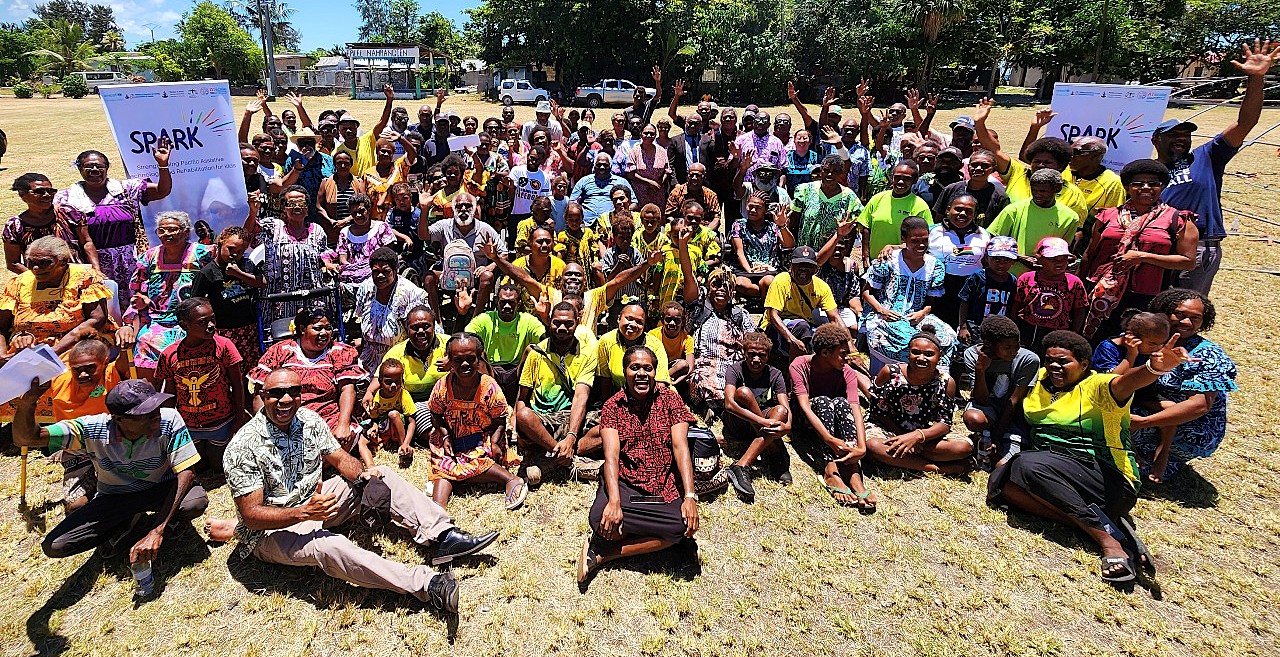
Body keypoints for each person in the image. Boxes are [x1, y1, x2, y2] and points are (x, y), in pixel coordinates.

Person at [221, 367, 498, 613]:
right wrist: (303, 512)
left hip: (316, 505)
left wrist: (365, 476)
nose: (285, 400)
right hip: (271, 532)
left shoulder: (307, 420)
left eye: (293, 392)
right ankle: (427, 584)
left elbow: (341, 459)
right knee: (328, 545)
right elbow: (251, 515)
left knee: (383, 474)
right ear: (262, 396)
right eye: (276, 394)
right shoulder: (245, 445)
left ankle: (442, 535)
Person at [987, 329, 1193, 583]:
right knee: (1004, 485)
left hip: (1106, 478)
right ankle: (1106, 527)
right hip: (1055, 474)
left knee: (1025, 465)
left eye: (1064, 361)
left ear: (1084, 364)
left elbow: (1127, 382)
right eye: (1050, 359)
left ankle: (1109, 542)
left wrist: (1153, 368)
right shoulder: (1040, 380)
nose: (1054, 366)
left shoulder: (1097, 386)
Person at [13, 378, 207, 600]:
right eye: (145, 412)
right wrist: (28, 403)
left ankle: (157, 522)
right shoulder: (90, 429)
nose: (156, 414)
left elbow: (187, 472)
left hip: (161, 489)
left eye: (155, 405)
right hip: (115, 496)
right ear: (119, 420)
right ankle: (127, 520)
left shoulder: (168, 419)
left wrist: (157, 530)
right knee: (55, 545)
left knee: (194, 502)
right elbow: (26, 438)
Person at [1154, 39, 1279, 293]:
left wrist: (1256, 79)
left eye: (1185, 135)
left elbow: (1245, 123)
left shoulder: (1207, 157)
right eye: (1172, 135)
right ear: (1156, 140)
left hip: (1199, 246)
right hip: (1156, 245)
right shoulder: (1147, 172)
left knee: (1184, 309)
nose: (1181, 139)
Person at [578, 345, 700, 583]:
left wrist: (689, 496)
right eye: (635, 368)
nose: (642, 373)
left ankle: (606, 554)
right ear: (625, 371)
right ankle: (667, 540)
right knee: (600, 520)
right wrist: (614, 501)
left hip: (661, 488)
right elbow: (611, 456)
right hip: (627, 485)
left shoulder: (670, 399)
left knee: (681, 525)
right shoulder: (613, 406)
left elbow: (680, 447)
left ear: (656, 372)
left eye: (648, 368)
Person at [1078, 159, 1198, 340]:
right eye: (1138, 184)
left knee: (1135, 342)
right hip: (1100, 292)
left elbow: (1187, 262)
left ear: (1162, 187)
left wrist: (1142, 257)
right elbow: (1090, 253)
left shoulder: (1177, 220)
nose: (1146, 187)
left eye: (1153, 184)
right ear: (1126, 187)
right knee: (1095, 339)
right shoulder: (1107, 215)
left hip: (1146, 295)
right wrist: (1080, 287)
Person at [1131, 288, 1237, 483]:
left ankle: (1157, 458)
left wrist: (1142, 423)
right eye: (1179, 314)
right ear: (1163, 311)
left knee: (1116, 425)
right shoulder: (1151, 339)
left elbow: (1199, 406)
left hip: (1192, 427)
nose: (1186, 322)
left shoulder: (1208, 355)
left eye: (1195, 318)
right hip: (1153, 406)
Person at [427, 332, 526, 510]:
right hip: (451, 438)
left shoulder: (489, 387)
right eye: (457, 360)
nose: (464, 365)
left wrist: (495, 442)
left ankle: (510, 479)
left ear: (479, 359)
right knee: (443, 466)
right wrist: (444, 435)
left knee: (473, 459)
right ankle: (437, 512)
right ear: (449, 360)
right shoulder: (442, 386)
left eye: (470, 359)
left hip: (483, 438)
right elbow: (435, 414)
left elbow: (499, 420)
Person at [250, 308, 368, 456]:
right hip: (287, 417)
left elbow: (347, 389)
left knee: (341, 439)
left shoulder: (339, 352)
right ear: (302, 329)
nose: (324, 333)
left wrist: (343, 425)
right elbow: (260, 391)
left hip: (328, 418)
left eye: (328, 328)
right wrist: (265, 427)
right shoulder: (280, 351)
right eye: (318, 328)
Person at [54, 143, 173, 291]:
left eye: (99, 166)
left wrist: (162, 164)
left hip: (131, 259)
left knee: (137, 301)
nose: (95, 170)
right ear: (80, 168)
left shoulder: (126, 190)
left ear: (107, 168)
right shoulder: (66, 198)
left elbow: (162, 191)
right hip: (92, 262)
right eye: (89, 166)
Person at [155, 297, 246, 473]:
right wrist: (168, 426)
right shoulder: (170, 355)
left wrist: (239, 416)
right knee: (199, 468)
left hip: (221, 421)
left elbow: (238, 384)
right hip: (189, 425)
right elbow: (170, 392)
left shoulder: (224, 346)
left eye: (212, 319)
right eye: (203, 322)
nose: (211, 325)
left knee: (218, 467)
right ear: (184, 325)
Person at [789, 323, 874, 509]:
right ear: (825, 353)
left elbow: (855, 409)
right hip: (806, 421)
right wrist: (829, 439)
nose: (847, 358)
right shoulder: (800, 365)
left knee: (841, 403)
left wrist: (861, 447)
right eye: (843, 353)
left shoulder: (848, 372)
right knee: (822, 401)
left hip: (833, 421)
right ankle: (830, 469)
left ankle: (853, 470)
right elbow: (804, 406)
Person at [514, 301, 601, 480]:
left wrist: (570, 437)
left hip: (571, 417)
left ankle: (551, 462)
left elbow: (581, 397)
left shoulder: (587, 353)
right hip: (542, 421)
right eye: (557, 322)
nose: (562, 327)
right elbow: (522, 398)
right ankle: (566, 456)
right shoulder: (536, 353)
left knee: (613, 425)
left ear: (577, 322)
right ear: (549, 322)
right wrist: (517, 425)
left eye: (568, 323)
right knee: (523, 415)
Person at [864, 327, 965, 474]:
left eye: (929, 354)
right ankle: (934, 468)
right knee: (873, 445)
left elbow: (945, 423)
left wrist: (917, 437)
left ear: (939, 357)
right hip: (889, 427)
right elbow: (877, 411)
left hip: (923, 433)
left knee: (964, 447)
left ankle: (907, 456)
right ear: (908, 353)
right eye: (915, 352)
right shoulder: (890, 372)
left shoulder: (946, 382)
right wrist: (902, 436)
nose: (921, 358)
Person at [127, 211, 214, 380]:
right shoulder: (150, 257)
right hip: (157, 321)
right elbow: (137, 287)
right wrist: (141, 298)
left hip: (192, 320)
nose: (167, 234)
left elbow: (225, 254)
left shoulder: (201, 253)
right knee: (145, 341)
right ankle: (150, 398)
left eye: (173, 229)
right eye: (162, 230)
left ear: (186, 231)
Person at [0, 236, 112, 367]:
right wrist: (2, 355)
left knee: (62, 378)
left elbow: (97, 320)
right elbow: (1, 326)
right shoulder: (18, 283)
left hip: (76, 345)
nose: (35, 268)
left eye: (44, 262)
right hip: (26, 349)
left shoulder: (84, 278)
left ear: (63, 261)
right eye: (30, 262)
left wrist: (53, 352)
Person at [861, 217, 955, 374]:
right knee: (906, 340)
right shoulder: (889, 260)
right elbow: (867, 291)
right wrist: (882, 310)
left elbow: (931, 301)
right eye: (915, 241)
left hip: (917, 316)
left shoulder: (935, 265)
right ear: (904, 239)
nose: (921, 245)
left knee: (947, 336)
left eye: (925, 240)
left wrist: (922, 313)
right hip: (887, 315)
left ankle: (933, 383)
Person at [972, 98, 1088, 224]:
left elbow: (1076, 230)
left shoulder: (1072, 193)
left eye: (1048, 163)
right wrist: (980, 124)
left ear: (1061, 166)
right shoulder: (1017, 173)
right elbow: (994, 150)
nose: (1041, 165)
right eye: (1037, 161)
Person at [957, 316, 1039, 469]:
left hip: (1013, 414)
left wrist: (997, 438)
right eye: (1008, 348)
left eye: (1017, 345)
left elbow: (1014, 401)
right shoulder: (972, 355)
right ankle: (984, 434)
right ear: (989, 344)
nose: (1014, 351)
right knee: (974, 418)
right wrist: (980, 370)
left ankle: (995, 436)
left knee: (1002, 466)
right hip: (990, 408)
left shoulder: (1028, 359)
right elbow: (981, 400)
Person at [247, 185, 332, 326]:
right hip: (279, 299)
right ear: (284, 208)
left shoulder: (317, 230)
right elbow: (249, 237)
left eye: (301, 203)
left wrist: (327, 262)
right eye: (291, 204)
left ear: (307, 207)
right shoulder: (273, 227)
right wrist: (253, 212)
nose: (297, 207)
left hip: (311, 298)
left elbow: (324, 253)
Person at [721, 332, 792, 499]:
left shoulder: (775, 374)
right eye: (751, 354)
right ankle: (774, 450)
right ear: (744, 353)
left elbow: (786, 408)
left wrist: (787, 426)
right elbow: (729, 404)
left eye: (761, 355)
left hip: (761, 423)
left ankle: (741, 465)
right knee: (743, 393)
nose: (756, 359)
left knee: (780, 411)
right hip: (738, 422)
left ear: (768, 356)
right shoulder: (735, 370)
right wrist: (762, 422)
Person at [188, 226, 264, 367]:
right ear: (220, 242)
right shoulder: (208, 272)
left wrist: (238, 274)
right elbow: (195, 302)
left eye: (240, 251)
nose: (235, 254)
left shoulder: (246, 265)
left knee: (249, 366)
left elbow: (262, 282)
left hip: (248, 328)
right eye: (231, 249)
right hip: (223, 330)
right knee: (226, 367)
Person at [986, 168, 1081, 276]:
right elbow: (992, 241)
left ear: (1057, 189)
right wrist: (1020, 258)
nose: (1037, 194)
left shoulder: (1070, 217)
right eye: (1034, 190)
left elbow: (1064, 249)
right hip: (1011, 276)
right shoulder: (1013, 210)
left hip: (1046, 277)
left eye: (1042, 191)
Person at [6, 172, 96, 275]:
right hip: (41, 283)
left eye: (51, 191)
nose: (47, 195)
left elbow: (86, 243)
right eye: (40, 191)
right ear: (22, 194)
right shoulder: (14, 226)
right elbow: (13, 263)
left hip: (77, 278)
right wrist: (39, 278)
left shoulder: (69, 213)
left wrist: (96, 270)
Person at [761, 245, 842, 358]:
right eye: (799, 265)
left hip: (804, 327)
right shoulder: (782, 280)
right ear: (791, 266)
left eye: (808, 266)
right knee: (802, 327)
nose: (803, 269)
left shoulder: (821, 286)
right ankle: (796, 368)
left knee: (825, 334)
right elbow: (773, 316)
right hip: (776, 329)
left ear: (815, 268)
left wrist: (850, 347)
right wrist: (792, 340)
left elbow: (835, 318)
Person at [1009, 237, 1088, 351]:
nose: (1059, 263)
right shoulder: (1027, 278)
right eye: (1053, 259)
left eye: (1063, 259)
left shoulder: (1074, 283)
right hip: (1027, 329)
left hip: (1057, 332)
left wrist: (1073, 333)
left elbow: (1079, 310)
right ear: (1040, 259)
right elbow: (1016, 304)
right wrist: (1014, 327)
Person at [353, 247, 427, 366]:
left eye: (386, 271)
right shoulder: (366, 288)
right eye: (376, 271)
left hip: (401, 359)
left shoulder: (410, 294)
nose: (380, 276)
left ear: (395, 270)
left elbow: (422, 333)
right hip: (369, 357)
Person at [928, 194, 991, 328]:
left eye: (968, 211)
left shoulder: (984, 235)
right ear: (948, 210)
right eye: (958, 209)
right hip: (941, 289)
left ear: (975, 214)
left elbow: (988, 261)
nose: (962, 214)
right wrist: (891, 247)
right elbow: (913, 247)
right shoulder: (932, 231)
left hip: (972, 290)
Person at [856, 161, 933, 268]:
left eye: (906, 178)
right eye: (897, 177)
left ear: (914, 180)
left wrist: (894, 248)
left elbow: (924, 239)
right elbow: (866, 227)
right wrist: (866, 257)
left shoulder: (920, 206)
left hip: (903, 265)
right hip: (875, 263)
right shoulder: (877, 199)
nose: (900, 182)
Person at [596, 302, 671, 399]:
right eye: (629, 319)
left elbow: (661, 382)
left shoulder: (655, 345)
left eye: (639, 322)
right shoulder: (606, 341)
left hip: (653, 399)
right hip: (621, 400)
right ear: (619, 318)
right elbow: (604, 379)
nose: (633, 324)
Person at [790, 154, 863, 252]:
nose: (830, 175)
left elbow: (852, 229)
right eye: (826, 170)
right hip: (806, 253)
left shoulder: (850, 197)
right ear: (821, 171)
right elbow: (794, 221)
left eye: (835, 172)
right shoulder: (805, 190)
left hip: (833, 254)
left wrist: (846, 255)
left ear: (841, 173)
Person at [956, 237, 1019, 344]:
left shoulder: (1012, 281)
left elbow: (1011, 307)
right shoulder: (977, 277)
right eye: (996, 259)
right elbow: (964, 301)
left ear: (1013, 262)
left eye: (1006, 260)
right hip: (975, 327)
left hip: (998, 330)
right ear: (986, 258)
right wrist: (963, 327)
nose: (1001, 264)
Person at [330, 193, 398, 293]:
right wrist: (357, 270)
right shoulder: (345, 232)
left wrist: (367, 268)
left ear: (369, 210)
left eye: (362, 211)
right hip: (352, 272)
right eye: (354, 213)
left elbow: (387, 255)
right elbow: (343, 259)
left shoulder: (381, 227)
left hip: (376, 271)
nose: (358, 215)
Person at [931, 149, 1008, 228]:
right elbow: (938, 220)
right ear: (968, 167)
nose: (978, 168)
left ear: (993, 169)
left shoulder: (1000, 197)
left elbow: (1001, 225)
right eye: (974, 165)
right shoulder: (951, 189)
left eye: (985, 166)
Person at [363, 358, 417, 466]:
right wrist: (374, 427)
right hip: (385, 428)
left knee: (393, 414)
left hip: (399, 427)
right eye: (388, 382)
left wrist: (406, 442)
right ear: (380, 381)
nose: (393, 385)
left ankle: (403, 447)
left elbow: (411, 421)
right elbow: (375, 418)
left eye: (397, 381)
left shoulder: (403, 395)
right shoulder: (376, 398)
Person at [572, 153, 635, 226]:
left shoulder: (621, 182)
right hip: (586, 224)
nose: (602, 167)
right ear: (594, 167)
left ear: (610, 166)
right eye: (599, 165)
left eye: (605, 165)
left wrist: (622, 214)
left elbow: (634, 203)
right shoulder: (584, 181)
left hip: (611, 224)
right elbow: (572, 202)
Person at [317, 151, 366, 238]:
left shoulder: (358, 182)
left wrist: (347, 220)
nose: (343, 166)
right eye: (339, 163)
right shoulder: (325, 182)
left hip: (355, 228)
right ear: (335, 164)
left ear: (351, 164)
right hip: (333, 229)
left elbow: (363, 204)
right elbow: (319, 206)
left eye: (346, 163)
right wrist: (330, 220)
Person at [649, 301, 693, 388]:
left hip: (673, 369)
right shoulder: (653, 335)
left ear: (682, 321)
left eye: (677, 320)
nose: (672, 323)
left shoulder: (687, 339)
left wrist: (675, 381)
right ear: (662, 320)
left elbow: (690, 366)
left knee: (683, 365)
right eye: (668, 319)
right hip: (657, 367)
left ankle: (663, 381)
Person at [664, 163, 721, 228]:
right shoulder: (676, 193)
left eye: (698, 175)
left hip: (704, 229)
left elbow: (716, 218)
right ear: (687, 176)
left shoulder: (711, 195)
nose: (694, 178)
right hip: (682, 229)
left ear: (704, 177)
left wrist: (706, 232)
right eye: (691, 175)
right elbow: (669, 216)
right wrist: (680, 228)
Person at [627, 124, 670, 208]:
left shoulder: (661, 150)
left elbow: (667, 170)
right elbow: (630, 174)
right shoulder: (634, 151)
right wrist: (649, 182)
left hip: (658, 191)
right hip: (640, 192)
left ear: (655, 135)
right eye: (646, 133)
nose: (649, 136)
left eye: (652, 133)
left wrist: (659, 184)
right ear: (641, 134)